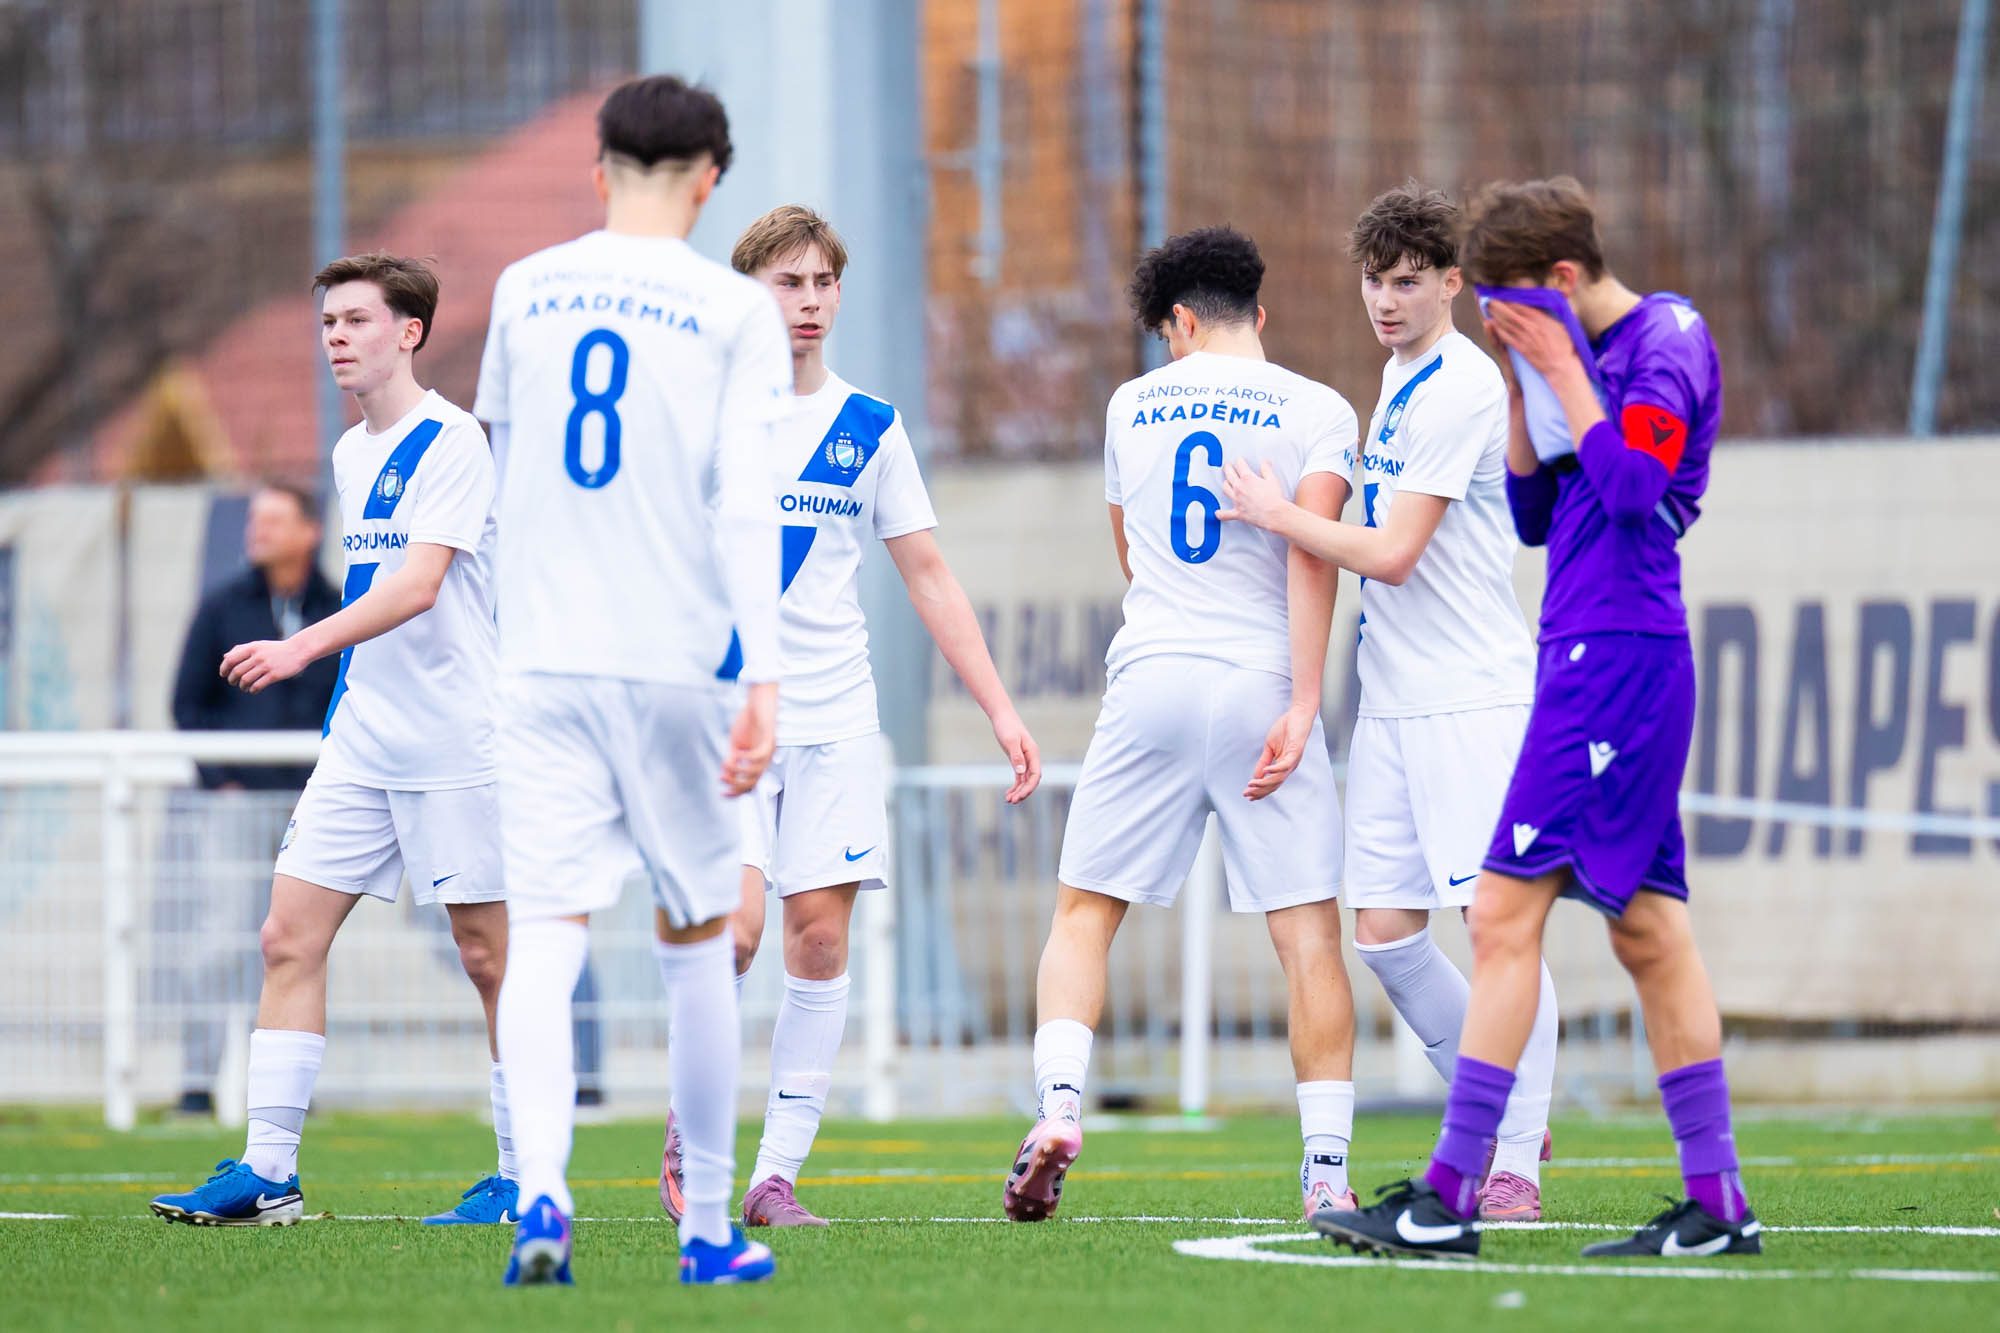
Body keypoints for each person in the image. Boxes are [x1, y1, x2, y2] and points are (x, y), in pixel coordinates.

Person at [1311, 177, 1754, 1260]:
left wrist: (1556, 370)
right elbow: (1535, 514)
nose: (1498, 321)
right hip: (1582, 652)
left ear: (1558, 280)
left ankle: (1456, 1192)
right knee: (1649, 936)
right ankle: (1716, 1205)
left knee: (1502, 920)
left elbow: (1638, 488)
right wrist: (1525, 393)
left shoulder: (1664, 341)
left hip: (1616, 663)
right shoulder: (1562, 362)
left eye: (1510, 301)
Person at [655, 205, 1041, 1230]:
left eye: (823, 281)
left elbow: (926, 575)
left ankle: (772, 1177)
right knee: (732, 934)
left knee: (816, 945)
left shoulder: (868, 424)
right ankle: (690, 1134)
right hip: (723, 715)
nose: (810, 301)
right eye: (789, 283)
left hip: (832, 712)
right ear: (750, 295)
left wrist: (999, 707)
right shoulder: (699, 418)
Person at [475, 74, 788, 1287]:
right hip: (671, 663)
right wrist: (760, 671)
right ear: (712, 178)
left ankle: (542, 1193)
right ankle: (706, 1228)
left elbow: (507, 476)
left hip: (540, 658)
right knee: (696, 941)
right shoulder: (729, 308)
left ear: (596, 167)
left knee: (545, 937)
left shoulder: (524, 287)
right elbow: (745, 500)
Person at [1003, 226, 1360, 1225]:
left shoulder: (1131, 403)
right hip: (1260, 682)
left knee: (1084, 913)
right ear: (1259, 312)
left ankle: (1060, 1107)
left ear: (1181, 322)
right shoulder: (1317, 407)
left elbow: (1131, 551)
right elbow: (1311, 554)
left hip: (1152, 670)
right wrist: (1301, 699)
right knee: (1307, 941)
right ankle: (1324, 1170)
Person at [1215, 183, 1558, 1220]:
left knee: (1496, 929)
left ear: (1451, 283)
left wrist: (1280, 515)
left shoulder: (1458, 380)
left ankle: (1514, 1164)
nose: (1386, 300)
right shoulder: (1397, 375)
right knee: (1382, 934)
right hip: (1396, 705)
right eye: (1374, 280)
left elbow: (1395, 555)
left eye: (1408, 282)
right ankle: (1499, 1107)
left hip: (1468, 699)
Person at [150, 252, 511, 1228]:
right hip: (364, 744)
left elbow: (418, 584)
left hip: (455, 743)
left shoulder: (453, 441)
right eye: (328, 323)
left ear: (410, 332)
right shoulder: (354, 451)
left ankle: (526, 1176)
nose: (337, 338)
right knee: (286, 937)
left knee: (490, 958)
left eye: (355, 319)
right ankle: (269, 1171)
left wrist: (300, 644)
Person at [164, 484, 340, 1113]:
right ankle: (195, 1081)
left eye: (274, 519)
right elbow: (187, 704)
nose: (257, 530)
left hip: (314, 804)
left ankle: (291, 1088)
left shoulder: (341, 606)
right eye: (255, 520)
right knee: (219, 937)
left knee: (304, 941)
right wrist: (224, 778)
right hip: (237, 805)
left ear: (310, 529)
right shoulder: (222, 608)